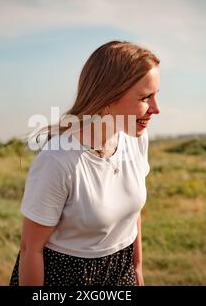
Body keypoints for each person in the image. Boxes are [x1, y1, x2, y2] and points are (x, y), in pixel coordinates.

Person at [9, 40, 160, 286]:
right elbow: (30, 250)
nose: (156, 108)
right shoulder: (57, 161)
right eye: (145, 97)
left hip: (121, 275)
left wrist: (137, 271)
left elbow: (132, 216)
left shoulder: (135, 140)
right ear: (109, 96)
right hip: (65, 278)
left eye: (156, 95)